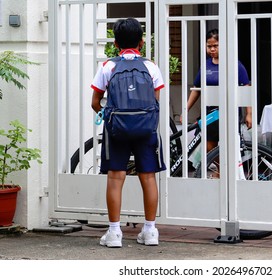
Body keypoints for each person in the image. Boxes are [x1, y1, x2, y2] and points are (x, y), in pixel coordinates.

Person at [91, 18, 165, 248]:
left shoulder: (107, 67)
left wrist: (110, 114)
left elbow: (95, 102)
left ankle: (114, 233)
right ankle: (150, 231)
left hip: (117, 130)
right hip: (146, 130)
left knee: (115, 177)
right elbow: (156, 100)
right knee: (148, 176)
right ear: (142, 42)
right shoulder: (151, 67)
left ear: (115, 43)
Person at [181, 29, 252, 153]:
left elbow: (246, 88)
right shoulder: (206, 65)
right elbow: (197, 89)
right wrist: (186, 110)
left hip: (229, 111)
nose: (212, 49)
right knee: (209, 145)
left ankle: (224, 171)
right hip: (210, 113)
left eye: (215, 46)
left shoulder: (234, 65)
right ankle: (220, 170)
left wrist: (249, 113)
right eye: (209, 46)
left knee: (229, 144)